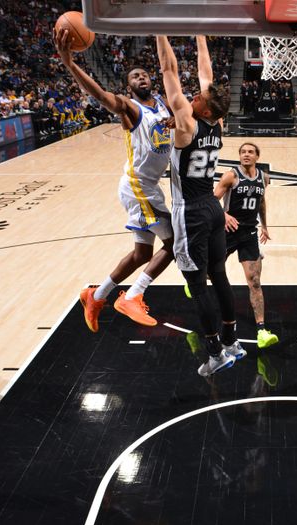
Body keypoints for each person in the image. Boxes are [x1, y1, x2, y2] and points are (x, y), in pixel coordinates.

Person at [54, 26, 175, 332]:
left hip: (148, 186)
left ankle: (95, 296)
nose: (142, 78)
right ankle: (132, 296)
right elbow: (103, 96)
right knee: (176, 242)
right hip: (139, 187)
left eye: (145, 74)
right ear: (128, 87)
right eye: (135, 77)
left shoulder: (161, 105)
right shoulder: (129, 108)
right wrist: (70, 64)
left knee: (142, 254)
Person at [157, 34, 244, 376]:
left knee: (197, 285)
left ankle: (215, 352)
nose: (193, 94)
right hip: (211, 207)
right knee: (219, 274)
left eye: (199, 96)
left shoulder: (187, 123)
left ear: (204, 107)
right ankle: (233, 340)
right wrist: (200, 34)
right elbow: (206, 72)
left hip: (189, 211)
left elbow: (168, 69)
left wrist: (160, 30)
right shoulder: (216, 122)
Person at [213, 142, 279, 349]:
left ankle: (262, 331)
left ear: (257, 156)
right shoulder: (230, 176)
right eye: (243, 152)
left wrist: (265, 226)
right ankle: (197, 278)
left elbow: (261, 202)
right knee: (211, 272)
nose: (246, 155)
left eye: (250, 152)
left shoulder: (263, 178)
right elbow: (212, 200)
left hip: (249, 233)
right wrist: (223, 215)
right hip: (227, 232)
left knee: (255, 281)